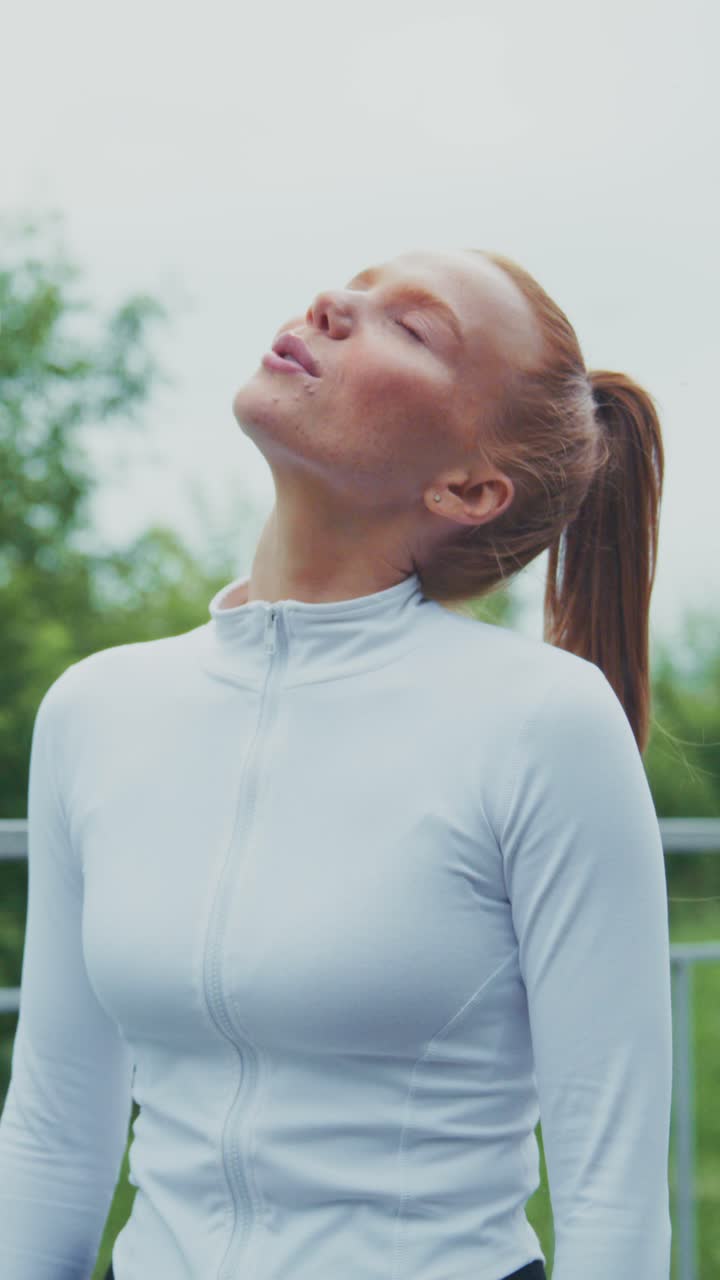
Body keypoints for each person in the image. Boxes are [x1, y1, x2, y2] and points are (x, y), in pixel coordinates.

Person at [0, 248, 672, 1280]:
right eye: (355, 283)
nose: (333, 303)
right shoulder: (96, 710)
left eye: (413, 327)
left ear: (468, 485)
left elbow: (611, 1192)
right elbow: (53, 1127)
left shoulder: (544, 722)